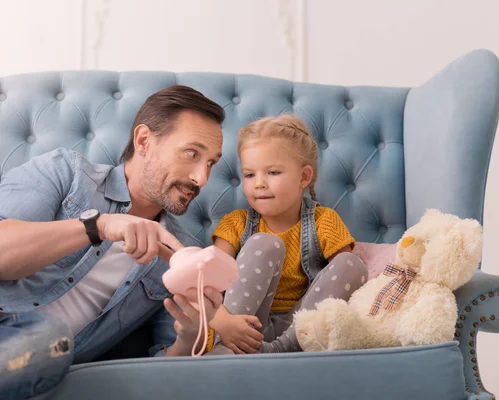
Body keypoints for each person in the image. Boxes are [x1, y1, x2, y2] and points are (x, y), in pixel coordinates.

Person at [0, 85, 225, 399]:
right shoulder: (67, 173)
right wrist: (100, 226)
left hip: (45, 360)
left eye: (211, 164)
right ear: (144, 141)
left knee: (52, 338)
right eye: (192, 154)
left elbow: (165, 370)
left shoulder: (181, 254)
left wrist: (189, 336)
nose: (201, 178)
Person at [208, 114, 368, 354]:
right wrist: (222, 321)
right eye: (250, 175)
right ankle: (230, 346)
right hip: (242, 324)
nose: (259, 183)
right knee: (265, 244)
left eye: (272, 172)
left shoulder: (323, 221)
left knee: (352, 263)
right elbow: (206, 284)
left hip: (298, 325)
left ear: (303, 177)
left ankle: (280, 351)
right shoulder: (235, 224)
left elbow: (344, 281)